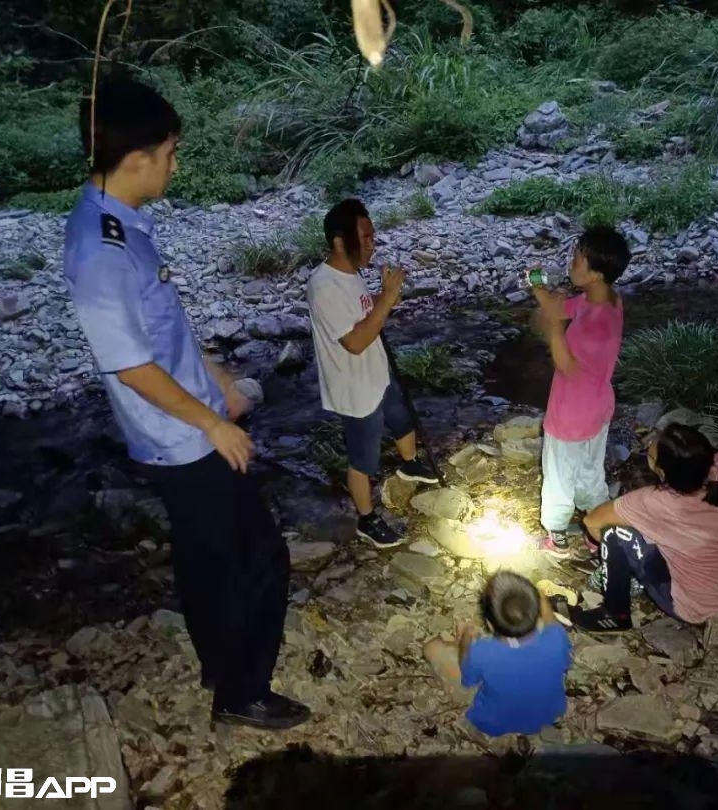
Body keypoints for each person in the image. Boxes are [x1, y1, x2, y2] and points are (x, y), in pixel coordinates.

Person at [62, 76, 308, 730]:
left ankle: (217, 664)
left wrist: (219, 379)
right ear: (137, 157)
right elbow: (132, 364)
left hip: (187, 422)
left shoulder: (121, 223)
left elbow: (164, 328)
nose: (176, 162)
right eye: (170, 150)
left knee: (205, 556)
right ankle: (243, 692)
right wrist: (211, 424)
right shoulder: (102, 248)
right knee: (256, 558)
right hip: (178, 440)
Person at [572, 376, 718, 632]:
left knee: (614, 534)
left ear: (662, 472)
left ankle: (614, 613)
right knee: (646, 533)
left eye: (652, 454)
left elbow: (592, 522)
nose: (650, 448)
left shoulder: (652, 501)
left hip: (692, 606)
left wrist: (610, 551)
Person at [306, 198, 438, 549]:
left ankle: (410, 464)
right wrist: (388, 298)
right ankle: (367, 519)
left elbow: (369, 321)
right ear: (339, 241)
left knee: (401, 415)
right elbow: (356, 341)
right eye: (364, 237)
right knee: (363, 457)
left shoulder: (352, 275)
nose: (372, 244)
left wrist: (382, 299)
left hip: (377, 371)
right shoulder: (324, 286)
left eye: (371, 236)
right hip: (354, 386)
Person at [531, 225, 630, 558]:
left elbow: (567, 365)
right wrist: (537, 287)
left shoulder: (594, 325)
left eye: (578, 259)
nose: (571, 263)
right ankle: (596, 529)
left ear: (596, 274)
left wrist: (554, 332)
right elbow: (561, 309)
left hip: (570, 413)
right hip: (598, 407)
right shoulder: (607, 300)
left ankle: (556, 536)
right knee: (590, 469)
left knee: (559, 475)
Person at [423, 571, 572, 737]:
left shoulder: (483, 651)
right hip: (549, 717)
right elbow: (550, 620)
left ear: (490, 625)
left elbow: (468, 678)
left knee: (433, 648)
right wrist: (540, 596)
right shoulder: (556, 638)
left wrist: (465, 641)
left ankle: (454, 644)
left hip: (494, 723)